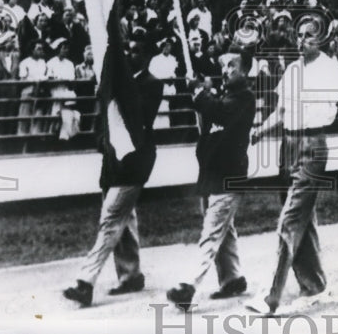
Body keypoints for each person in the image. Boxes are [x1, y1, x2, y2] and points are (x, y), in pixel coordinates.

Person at [245, 19, 338, 316]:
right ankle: (314, 285)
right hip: (288, 146)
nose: (302, 41)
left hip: (313, 147)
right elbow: (281, 112)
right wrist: (260, 130)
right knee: (303, 218)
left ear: (321, 39)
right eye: (298, 36)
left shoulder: (330, 69)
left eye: (309, 36)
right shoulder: (292, 70)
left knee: (290, 219)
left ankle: (270, 296)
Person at [62, 42, 164, 307]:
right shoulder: (118, 85)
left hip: (134, 162)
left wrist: (115, 87)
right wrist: (102, 141)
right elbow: (103, 120)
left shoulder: (152, 84)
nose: (131, 54)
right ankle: (131, 275)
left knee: (110, 220)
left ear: (147, 55)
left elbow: (138, 116)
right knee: (124, 218)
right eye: (128, 50)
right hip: (112, 163)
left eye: (137, 50)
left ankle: (86, 281)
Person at [167, 52, 257, 310]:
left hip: (229, 176)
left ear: (245, 71)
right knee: (224, 229)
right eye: (223, 65)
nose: (226, 70)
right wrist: (196, 92)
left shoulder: (244, 99)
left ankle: (188, 286)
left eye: (232, 66)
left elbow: (219, 111)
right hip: (213, 174)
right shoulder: (223, 97)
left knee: (211, 232)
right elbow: (210, 111)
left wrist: (199, 93)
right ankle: (232, 279)